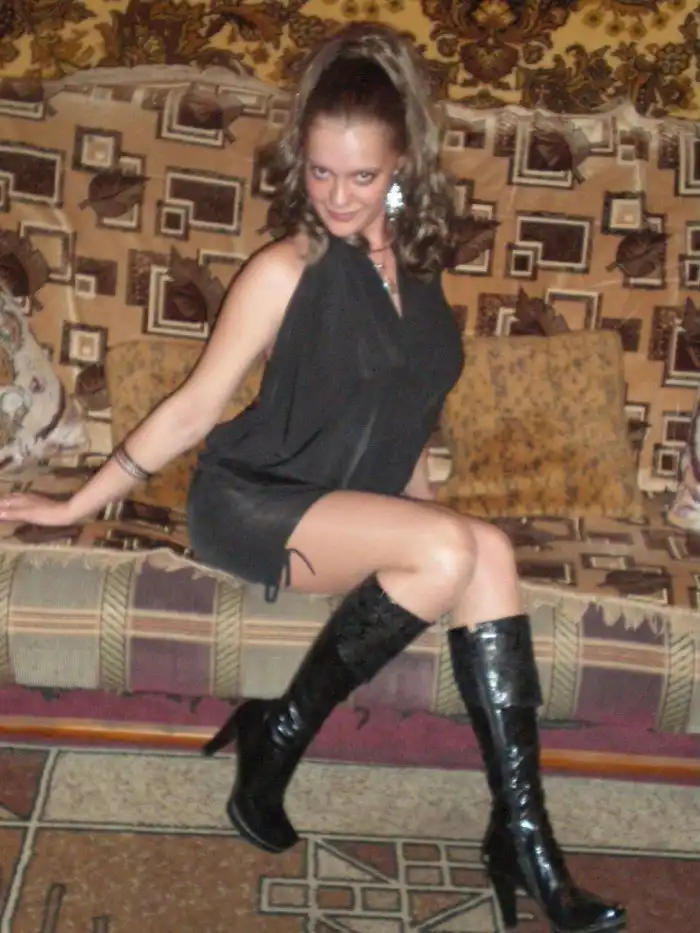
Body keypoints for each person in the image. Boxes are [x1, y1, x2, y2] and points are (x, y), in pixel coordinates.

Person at [0, 25, 626, 933]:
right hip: (255, 500)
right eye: (322, 171)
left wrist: (424, 517)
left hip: (345, 506)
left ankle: (522, 837)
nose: (337, 195)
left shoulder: (420, 266)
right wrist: (74, 504)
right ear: (302, 159)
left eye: (361, 175)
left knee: (479, 549)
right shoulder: (285, 268)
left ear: (402, 162)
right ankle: (278, 735)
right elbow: (193, 407)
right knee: (454, 548)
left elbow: (411, 408)